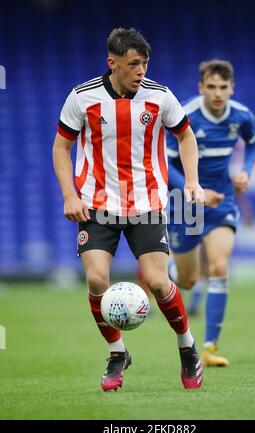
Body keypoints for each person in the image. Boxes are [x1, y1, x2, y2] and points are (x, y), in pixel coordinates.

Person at [52, 27, 207, 392]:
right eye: (133, 64)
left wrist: (192, 181)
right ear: (113, 63)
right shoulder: (82, 97)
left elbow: (185, 135)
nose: (141, 71)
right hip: (96, 204)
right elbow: (61, 148)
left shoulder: (160, 97)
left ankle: (187, 348)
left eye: (144, 64)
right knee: (95, 280)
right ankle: (117, 352)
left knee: (156, 281)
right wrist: (69, 195)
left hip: (146, 203)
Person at [167, 59, 255, 367]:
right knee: (189, 280)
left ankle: (209, 347)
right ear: (201, 88)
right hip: (186, 205)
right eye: (211, 87)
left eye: (223, 87)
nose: (218, 93)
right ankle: (171, 268)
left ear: (232, 88)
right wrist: (195, 191)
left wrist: (246, 170)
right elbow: (166, 164)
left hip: (221, 202)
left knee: (219, 266)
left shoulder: (241, 116)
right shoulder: (186, 115)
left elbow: (254, 142)